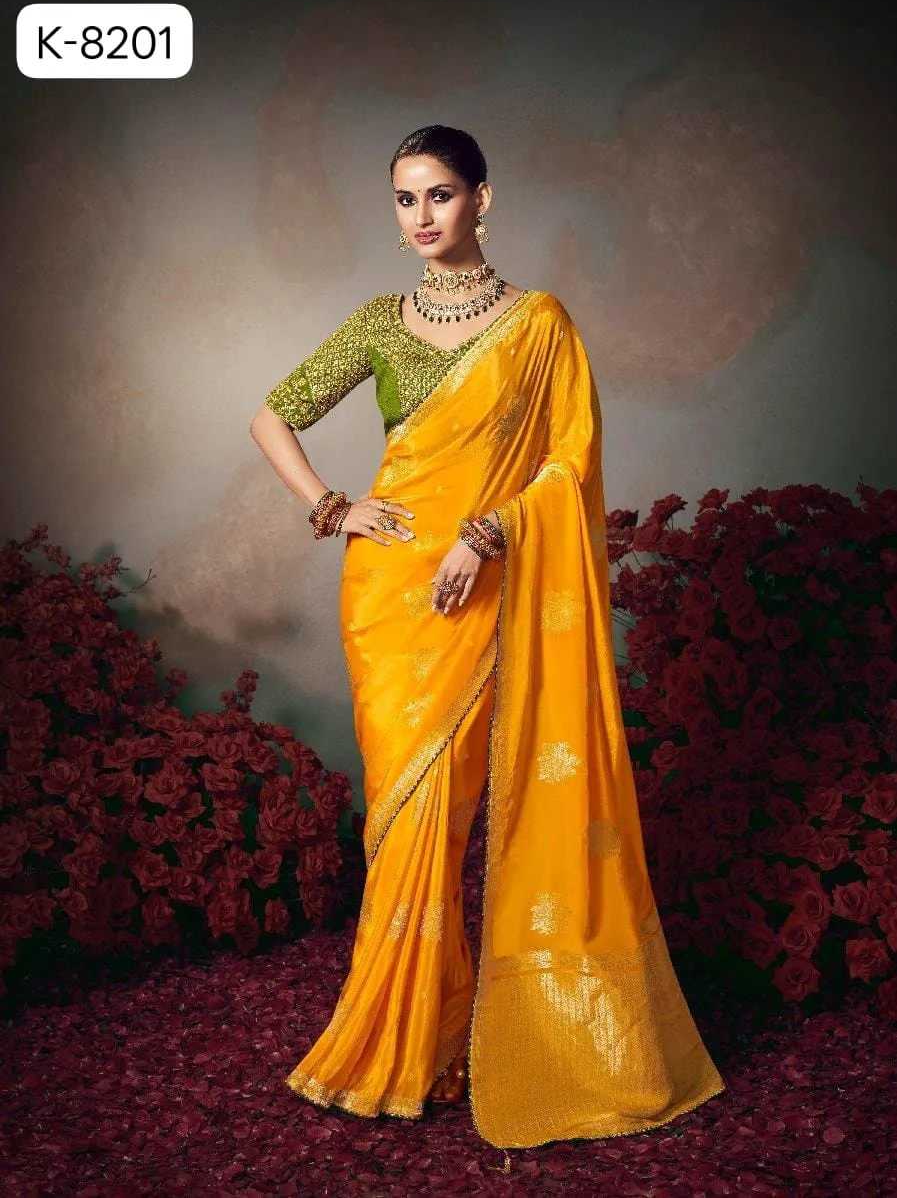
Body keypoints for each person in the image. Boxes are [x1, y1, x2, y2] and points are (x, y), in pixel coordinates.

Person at [249, 124, 726, 1150]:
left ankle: (467, 1029)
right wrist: (335, 506)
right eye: (404, 198)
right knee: (403, 824)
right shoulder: (378, 323)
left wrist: (489, 532)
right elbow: (273, 416)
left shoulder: (539, 324)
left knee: (459, 815)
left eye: (440, 194)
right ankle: (403, 1043)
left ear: (482, 200)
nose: (421, 216)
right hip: (389, 597)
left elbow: (568, 459)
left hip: (486, 584)